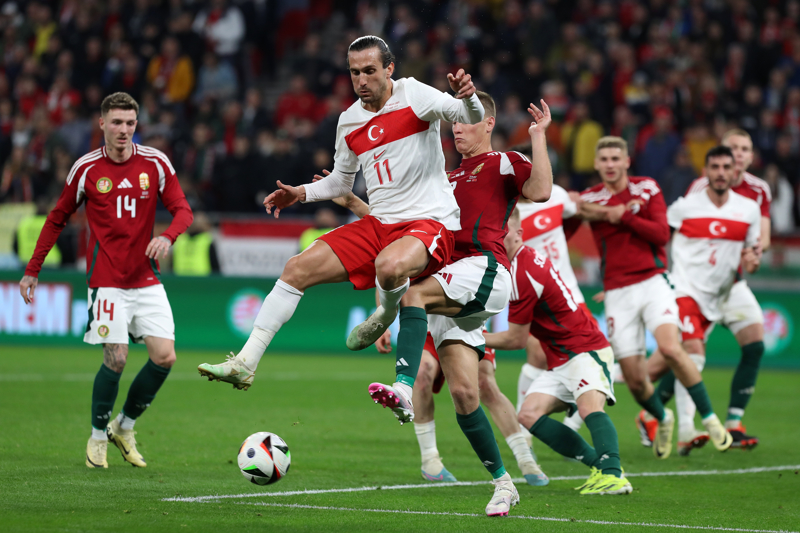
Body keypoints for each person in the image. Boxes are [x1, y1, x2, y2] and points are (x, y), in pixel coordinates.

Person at [198, 35, 484, 391]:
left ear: (389, 69)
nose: (361, 80)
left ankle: (386, 312)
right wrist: (301, 193)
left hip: (430, 222)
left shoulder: (414, 94)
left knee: (389, 266)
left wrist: (468, 96)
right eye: (354, 72)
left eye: (369, 71)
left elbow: (469, 115)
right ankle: (245, 363)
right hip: (380, 224)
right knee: (296, 268)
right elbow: (341, 181)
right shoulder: (349, 121)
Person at [320, 89, 553, 515]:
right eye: (454, 122)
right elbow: (393, 230)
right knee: (465, 393)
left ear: (488, 123)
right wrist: (352, 201)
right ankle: (504, 484)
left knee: (413, 295)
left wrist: (538, 136)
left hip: (483, 269)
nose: (457, 128)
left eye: (466, 121)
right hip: (449, 285)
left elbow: (540, 191)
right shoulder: (443, 179)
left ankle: (403, 388)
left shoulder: (504, 161)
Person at [19, 92, 193, 469]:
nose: (123, 130)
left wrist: (167, 236)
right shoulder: (86, 169)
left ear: (136, 124)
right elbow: (57, 218)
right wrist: (33, 269)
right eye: (116, 122)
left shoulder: (155, 162)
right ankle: (97, 436)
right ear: (102, 124)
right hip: (106, 279)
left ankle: (123, 427)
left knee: (165, 357)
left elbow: (183, 209)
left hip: (146, 278)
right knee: (117, 358)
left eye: (130, 123)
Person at [577, 136, 732, 459]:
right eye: (604, 159)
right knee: (635, 380)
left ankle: (710, 419)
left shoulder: (646, 188)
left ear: (626, 161)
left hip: (653, 281)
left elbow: (661, 234)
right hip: (617, 292)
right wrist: (607, 212)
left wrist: (624, 216)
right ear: (596, 164)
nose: (610, 164)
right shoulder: (591, 197)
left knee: (671, 348)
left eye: (615, 158)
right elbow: (575, 206)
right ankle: (663, 417)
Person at [484, 208, 632, 495]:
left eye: (503, 231)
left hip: (585, 349)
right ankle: (600, 467)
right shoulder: (519, 263)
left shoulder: (522, 272)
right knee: (528, 414)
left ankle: (614, 476)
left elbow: (516, 339)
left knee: (590, 408)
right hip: (562, 356)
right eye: (494, 231)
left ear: (518, 233)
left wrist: (474, 338)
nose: (497, 237)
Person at [648, 130, 771, 449]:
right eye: (732, 149)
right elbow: (664, 233)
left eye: (744, 149)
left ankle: (733, 422)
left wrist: (753, 258)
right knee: (688, 355)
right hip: (691, 287)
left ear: (748, 158)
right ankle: (680, 427)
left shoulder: (755, 196)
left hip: (730, 285)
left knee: (754, 344)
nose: (737, 155)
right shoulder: (695, 196)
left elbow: (758, 246)